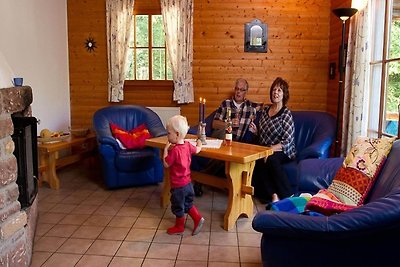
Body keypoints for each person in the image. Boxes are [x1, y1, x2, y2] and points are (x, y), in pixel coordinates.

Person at [194, 78, 262, 196]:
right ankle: (203, 181)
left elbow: (264, 108)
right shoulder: (225, 104)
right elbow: (214, 124)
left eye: (241, 90)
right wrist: (228, 123)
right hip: (223, 139)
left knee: (227, 157)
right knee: (224, 147)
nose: (238, 92)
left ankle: (201, 179)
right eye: (237, 89)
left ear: (246, 92)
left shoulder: (251, 107)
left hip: (238, 143)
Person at [249, 77, 296, 204]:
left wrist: (270, 150)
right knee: (257, 161)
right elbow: (262, 136)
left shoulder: (286, 113)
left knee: (271, 159)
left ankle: (288, 195)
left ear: (284, 94)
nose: (276, 92)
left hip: (284, 150)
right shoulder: (265, 111)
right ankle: (272, 195)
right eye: (274, 89)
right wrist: (256, 132)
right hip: (266, 149)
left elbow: (287, 141)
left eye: (279, 90)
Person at [163, 115, 205, 235]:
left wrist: (166, 150)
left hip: (178, 186)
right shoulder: (187, 145)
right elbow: (197, 150)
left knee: (178, 205)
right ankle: (197, 218)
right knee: (187, 203)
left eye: (168, 133)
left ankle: (179, 226)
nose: (167, 135)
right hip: (188, 184)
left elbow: (166, 164)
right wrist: (199, 143)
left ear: (176, 134)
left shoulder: (175, 150)